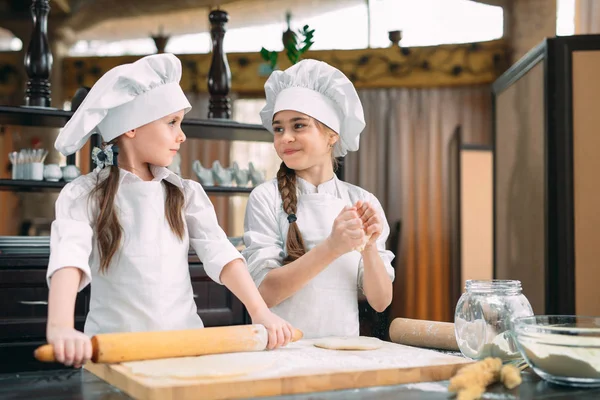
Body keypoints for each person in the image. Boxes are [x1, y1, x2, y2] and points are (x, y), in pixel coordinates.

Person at [46, 53, 294, 368]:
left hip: (184, 352)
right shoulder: (84, 195)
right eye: (171, 122)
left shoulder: (185, 193)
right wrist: (60, 327)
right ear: (131, 128)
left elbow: (223, 255)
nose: (182, 135)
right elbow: (69, 259)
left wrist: (261, 313)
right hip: (113, 356)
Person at [242, 59, 395, 339]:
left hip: (344, 353)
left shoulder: (361, 200)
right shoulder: (265, 198)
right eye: (278, 129)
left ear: (332, 135)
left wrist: (370, 247)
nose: (285, 137)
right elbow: (265, 293)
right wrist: (333, 247)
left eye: (298, 126)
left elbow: (381, 301)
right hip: (282, 354)